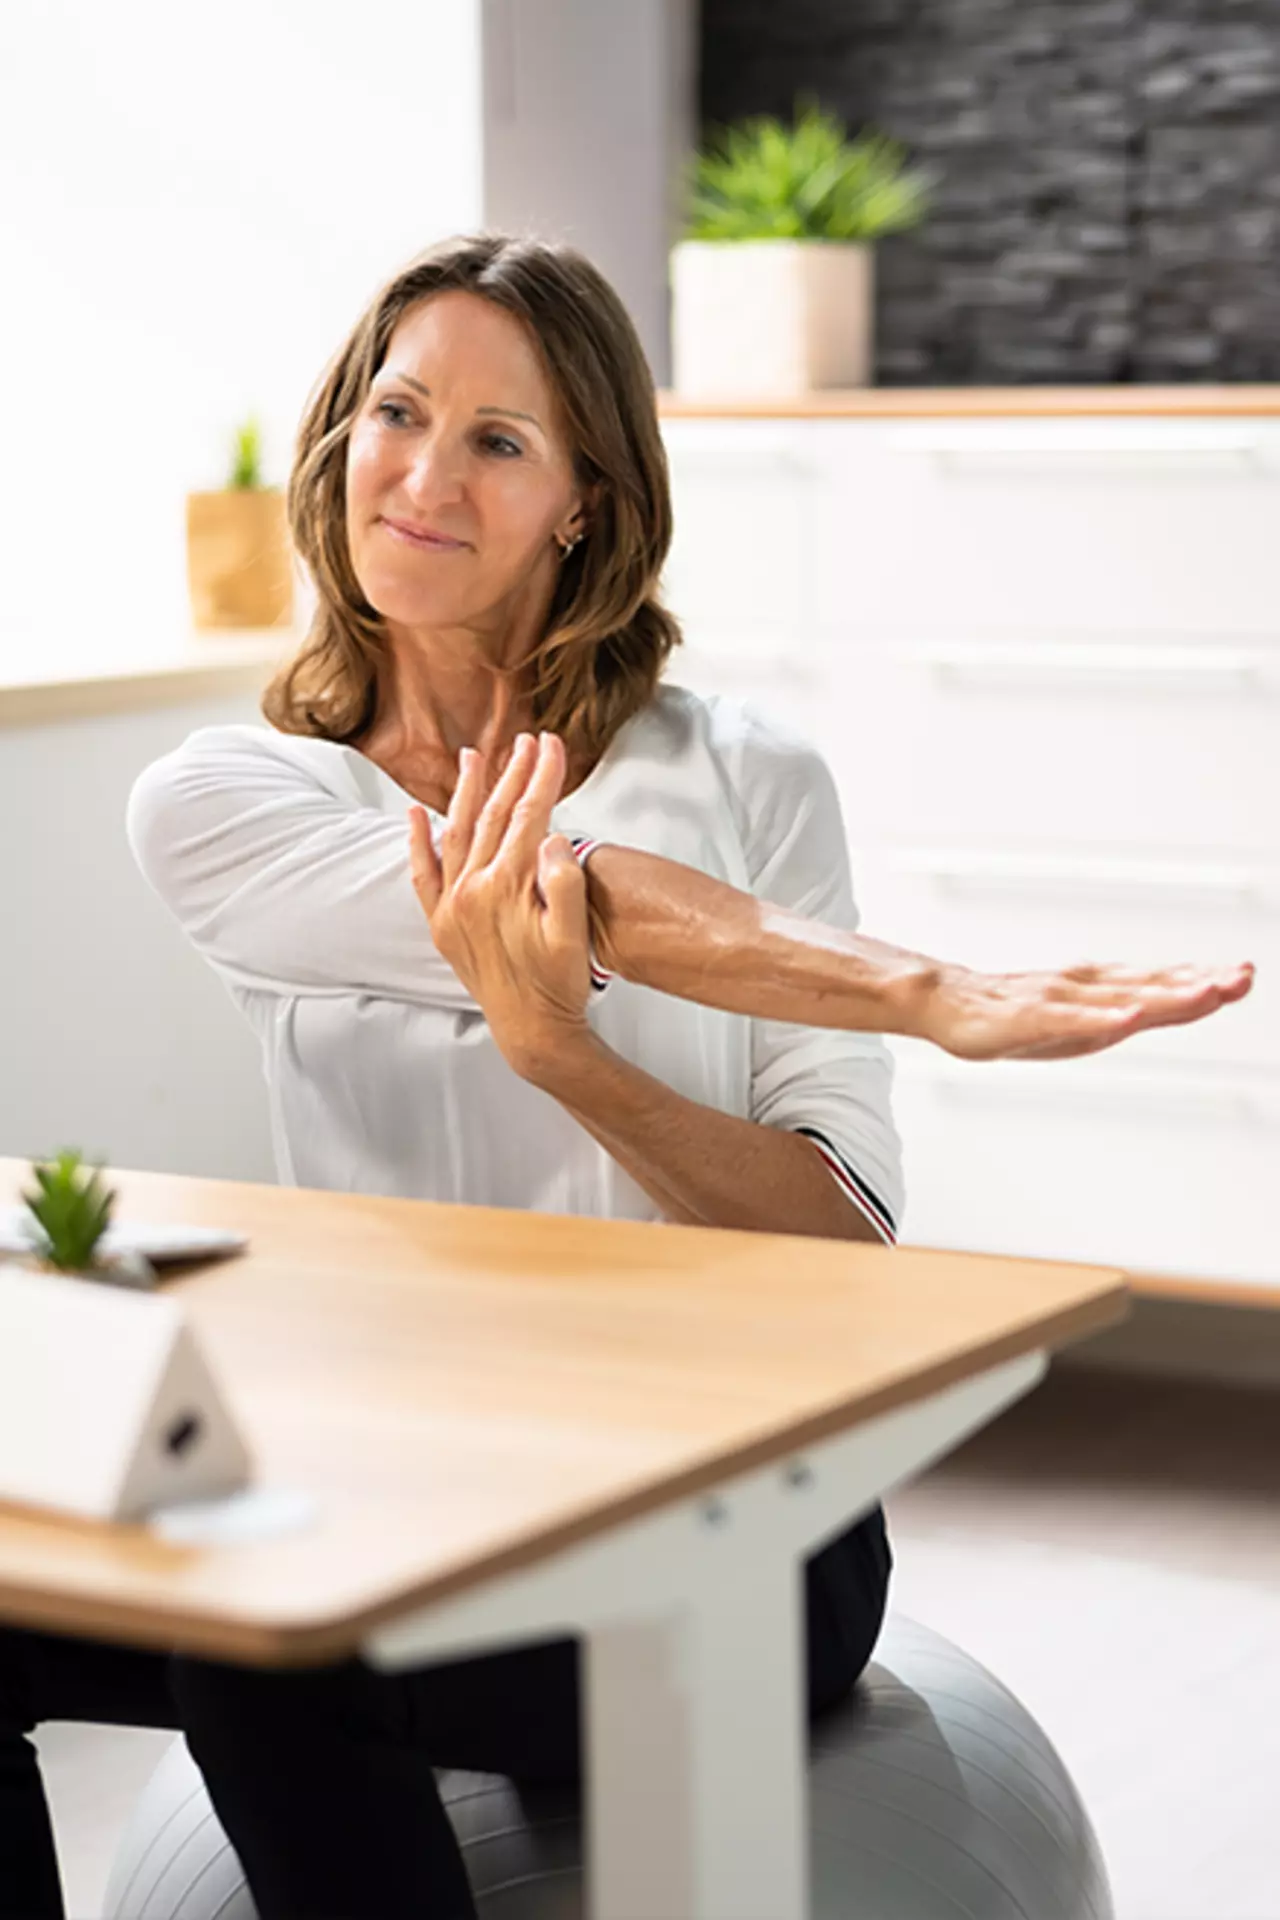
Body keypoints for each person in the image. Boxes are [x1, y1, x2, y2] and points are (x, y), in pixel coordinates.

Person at [0, 234, 1252, 1920]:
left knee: (273, 1668)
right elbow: (557, 896)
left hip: (742, 1533)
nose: (423, 477)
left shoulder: (748, 778)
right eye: (397, 412)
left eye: (499, 440)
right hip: (394, 1495)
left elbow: (841, 1248)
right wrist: (929, 992)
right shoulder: (234, 801)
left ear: (585, 500)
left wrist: (567, 1062)